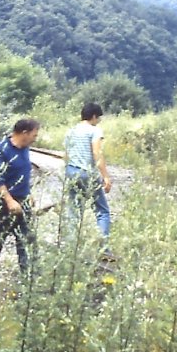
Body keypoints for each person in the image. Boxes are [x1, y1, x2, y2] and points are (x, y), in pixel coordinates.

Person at [0, 118, 40, 295]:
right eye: (34, 135)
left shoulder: (25, 148)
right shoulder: (1, 150)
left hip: (23, 203)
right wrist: (10, 201)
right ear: (24, 133)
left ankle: (30, 287)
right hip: (3, 205)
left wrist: (28, 193)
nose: (35, 138)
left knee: (28, 244)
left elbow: (23, 174)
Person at [63, 103, 112, 253]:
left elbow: (66, 154)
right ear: (94, 116)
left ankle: (71, 249)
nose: (99, 121)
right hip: (87, 173)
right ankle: (103, 249)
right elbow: (97, 153)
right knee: (102, 211)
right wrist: (105, 176)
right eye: (99, 118)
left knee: (73, 210)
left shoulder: (71, 131)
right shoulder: (94, 131)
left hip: (71, 172)